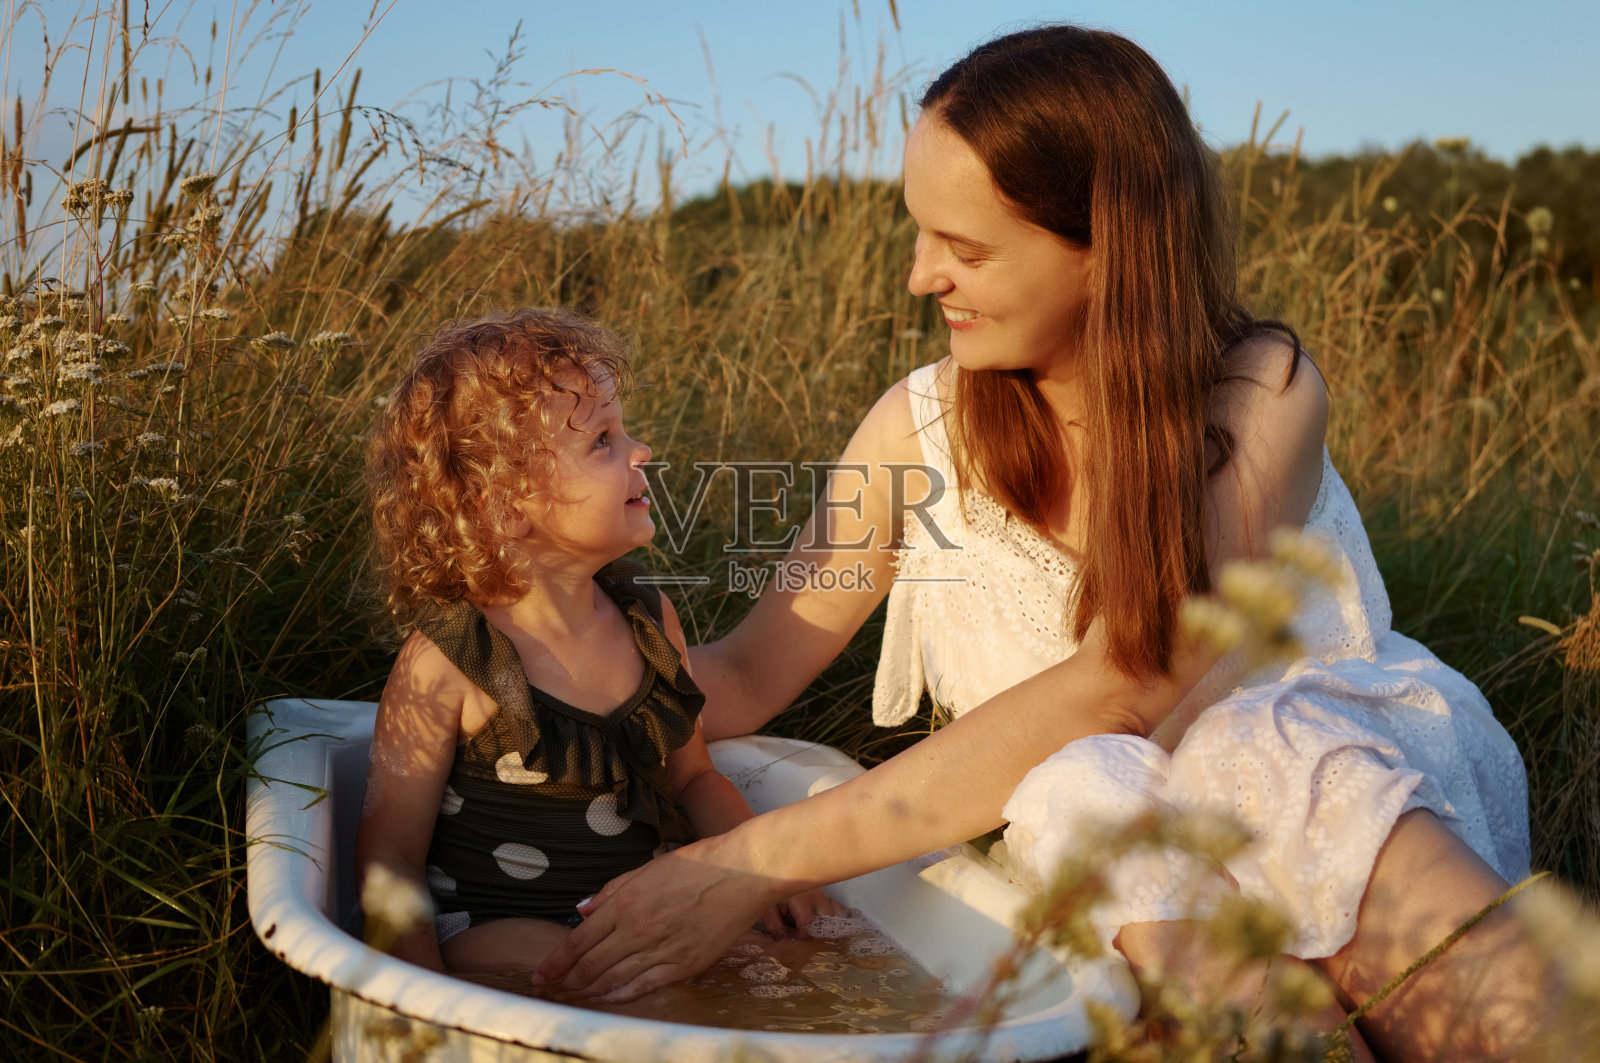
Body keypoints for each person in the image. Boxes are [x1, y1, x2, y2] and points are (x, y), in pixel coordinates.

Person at [534, 26, 1551, 1059]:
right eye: (919, 232)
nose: (920, 277)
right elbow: (752, 668)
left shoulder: (1257, 394)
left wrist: (754, 859)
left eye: (966, 249)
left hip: (1333, 796)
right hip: (1125, 860)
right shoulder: (916, 429)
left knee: (1262, 749)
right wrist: (530, 671)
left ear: (1109, 246)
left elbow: (1129, 678)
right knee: (1083, 792)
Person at [352, 309, 830, 994]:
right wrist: (419, 991)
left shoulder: (648, 620)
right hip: (499, 927)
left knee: (799, 962)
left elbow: (693, 778)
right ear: (507, 506)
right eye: (604, 440)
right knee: (624, 986)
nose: (642, 451)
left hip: (632, 914)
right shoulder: (450, 661)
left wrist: (761, 873)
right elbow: (390, 854)